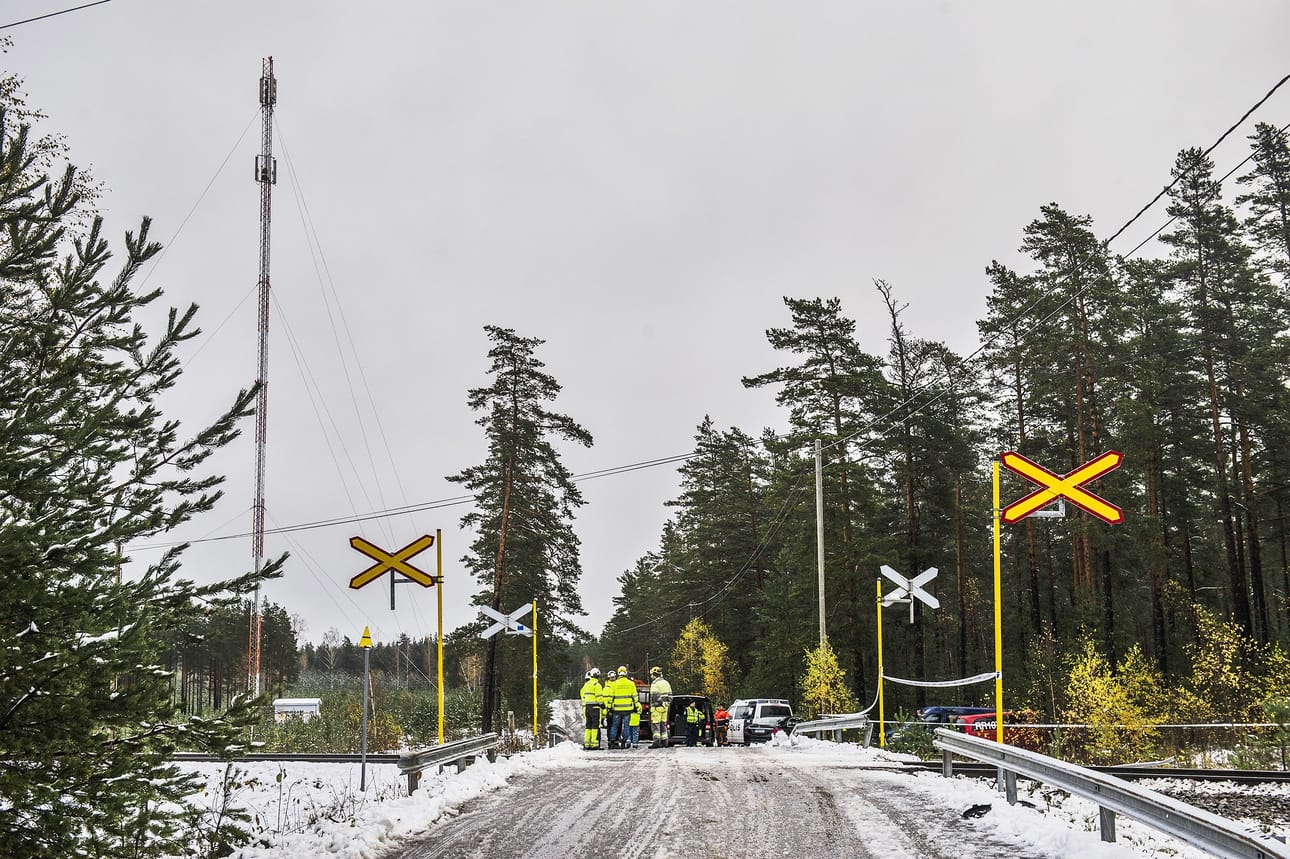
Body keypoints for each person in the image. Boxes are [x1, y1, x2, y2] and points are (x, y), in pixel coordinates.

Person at [610, 664, 636, 749]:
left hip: (617, 708)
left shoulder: (614, 684)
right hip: (628, 708)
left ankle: (613, 742)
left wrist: (609, 707)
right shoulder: (631, 684)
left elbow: (611, 697)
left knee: (615, 725)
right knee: (626, 725)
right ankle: (624, 742)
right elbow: (635, 696)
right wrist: (636, 705)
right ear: (626, 673)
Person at [648, 666, 672, 748]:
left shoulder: (655, 684)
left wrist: (661, 703)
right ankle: (664, 742)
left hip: (656, 708)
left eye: (651, 675)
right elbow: (670, 696)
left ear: (654, 675)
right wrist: (666, 704)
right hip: (665, 708)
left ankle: (656, 742)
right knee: (663, 725)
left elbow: (655, 696)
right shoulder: (666, 683)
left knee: (655, 726)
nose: (651, 676)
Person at [579, 668, 603, 751]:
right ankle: (594, 743)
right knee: (595, 726)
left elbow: (583, 695)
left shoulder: (586, 684)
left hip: (587, 707)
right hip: (595, 707)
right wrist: (602, 705)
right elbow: (599, 697)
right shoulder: (597, 685)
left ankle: (587, 743)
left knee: (588, 726)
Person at [601, 670, 617, 748]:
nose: (612, 679)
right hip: (610, 710)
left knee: (616, 726)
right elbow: (604, 700)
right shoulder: (606, 688)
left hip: (617, 708)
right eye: (611, 677)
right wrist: (607, 710)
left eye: (613, 677)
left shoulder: (617, 685)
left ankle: (615, 741)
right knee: (610, 726)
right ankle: (610, 741)